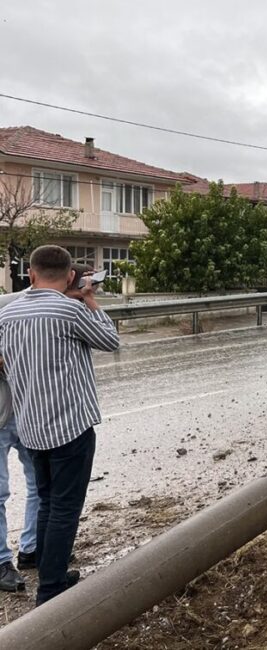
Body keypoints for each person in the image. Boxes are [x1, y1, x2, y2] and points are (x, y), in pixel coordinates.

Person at [0, 246, 119, 604]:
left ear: (31, 275)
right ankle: (51, 591)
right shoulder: (70, 310)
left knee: (50, 502)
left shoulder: (9, 312)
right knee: (65, 508)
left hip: (32, 428)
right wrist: (89, 300)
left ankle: (52, 572)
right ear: (70, 276)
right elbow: (110, 341)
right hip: (70, 428)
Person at [0, 289, 37, 593]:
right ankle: (0, 563)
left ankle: (32, 548)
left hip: (26, 412)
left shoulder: (18, 304)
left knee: (40, 483)